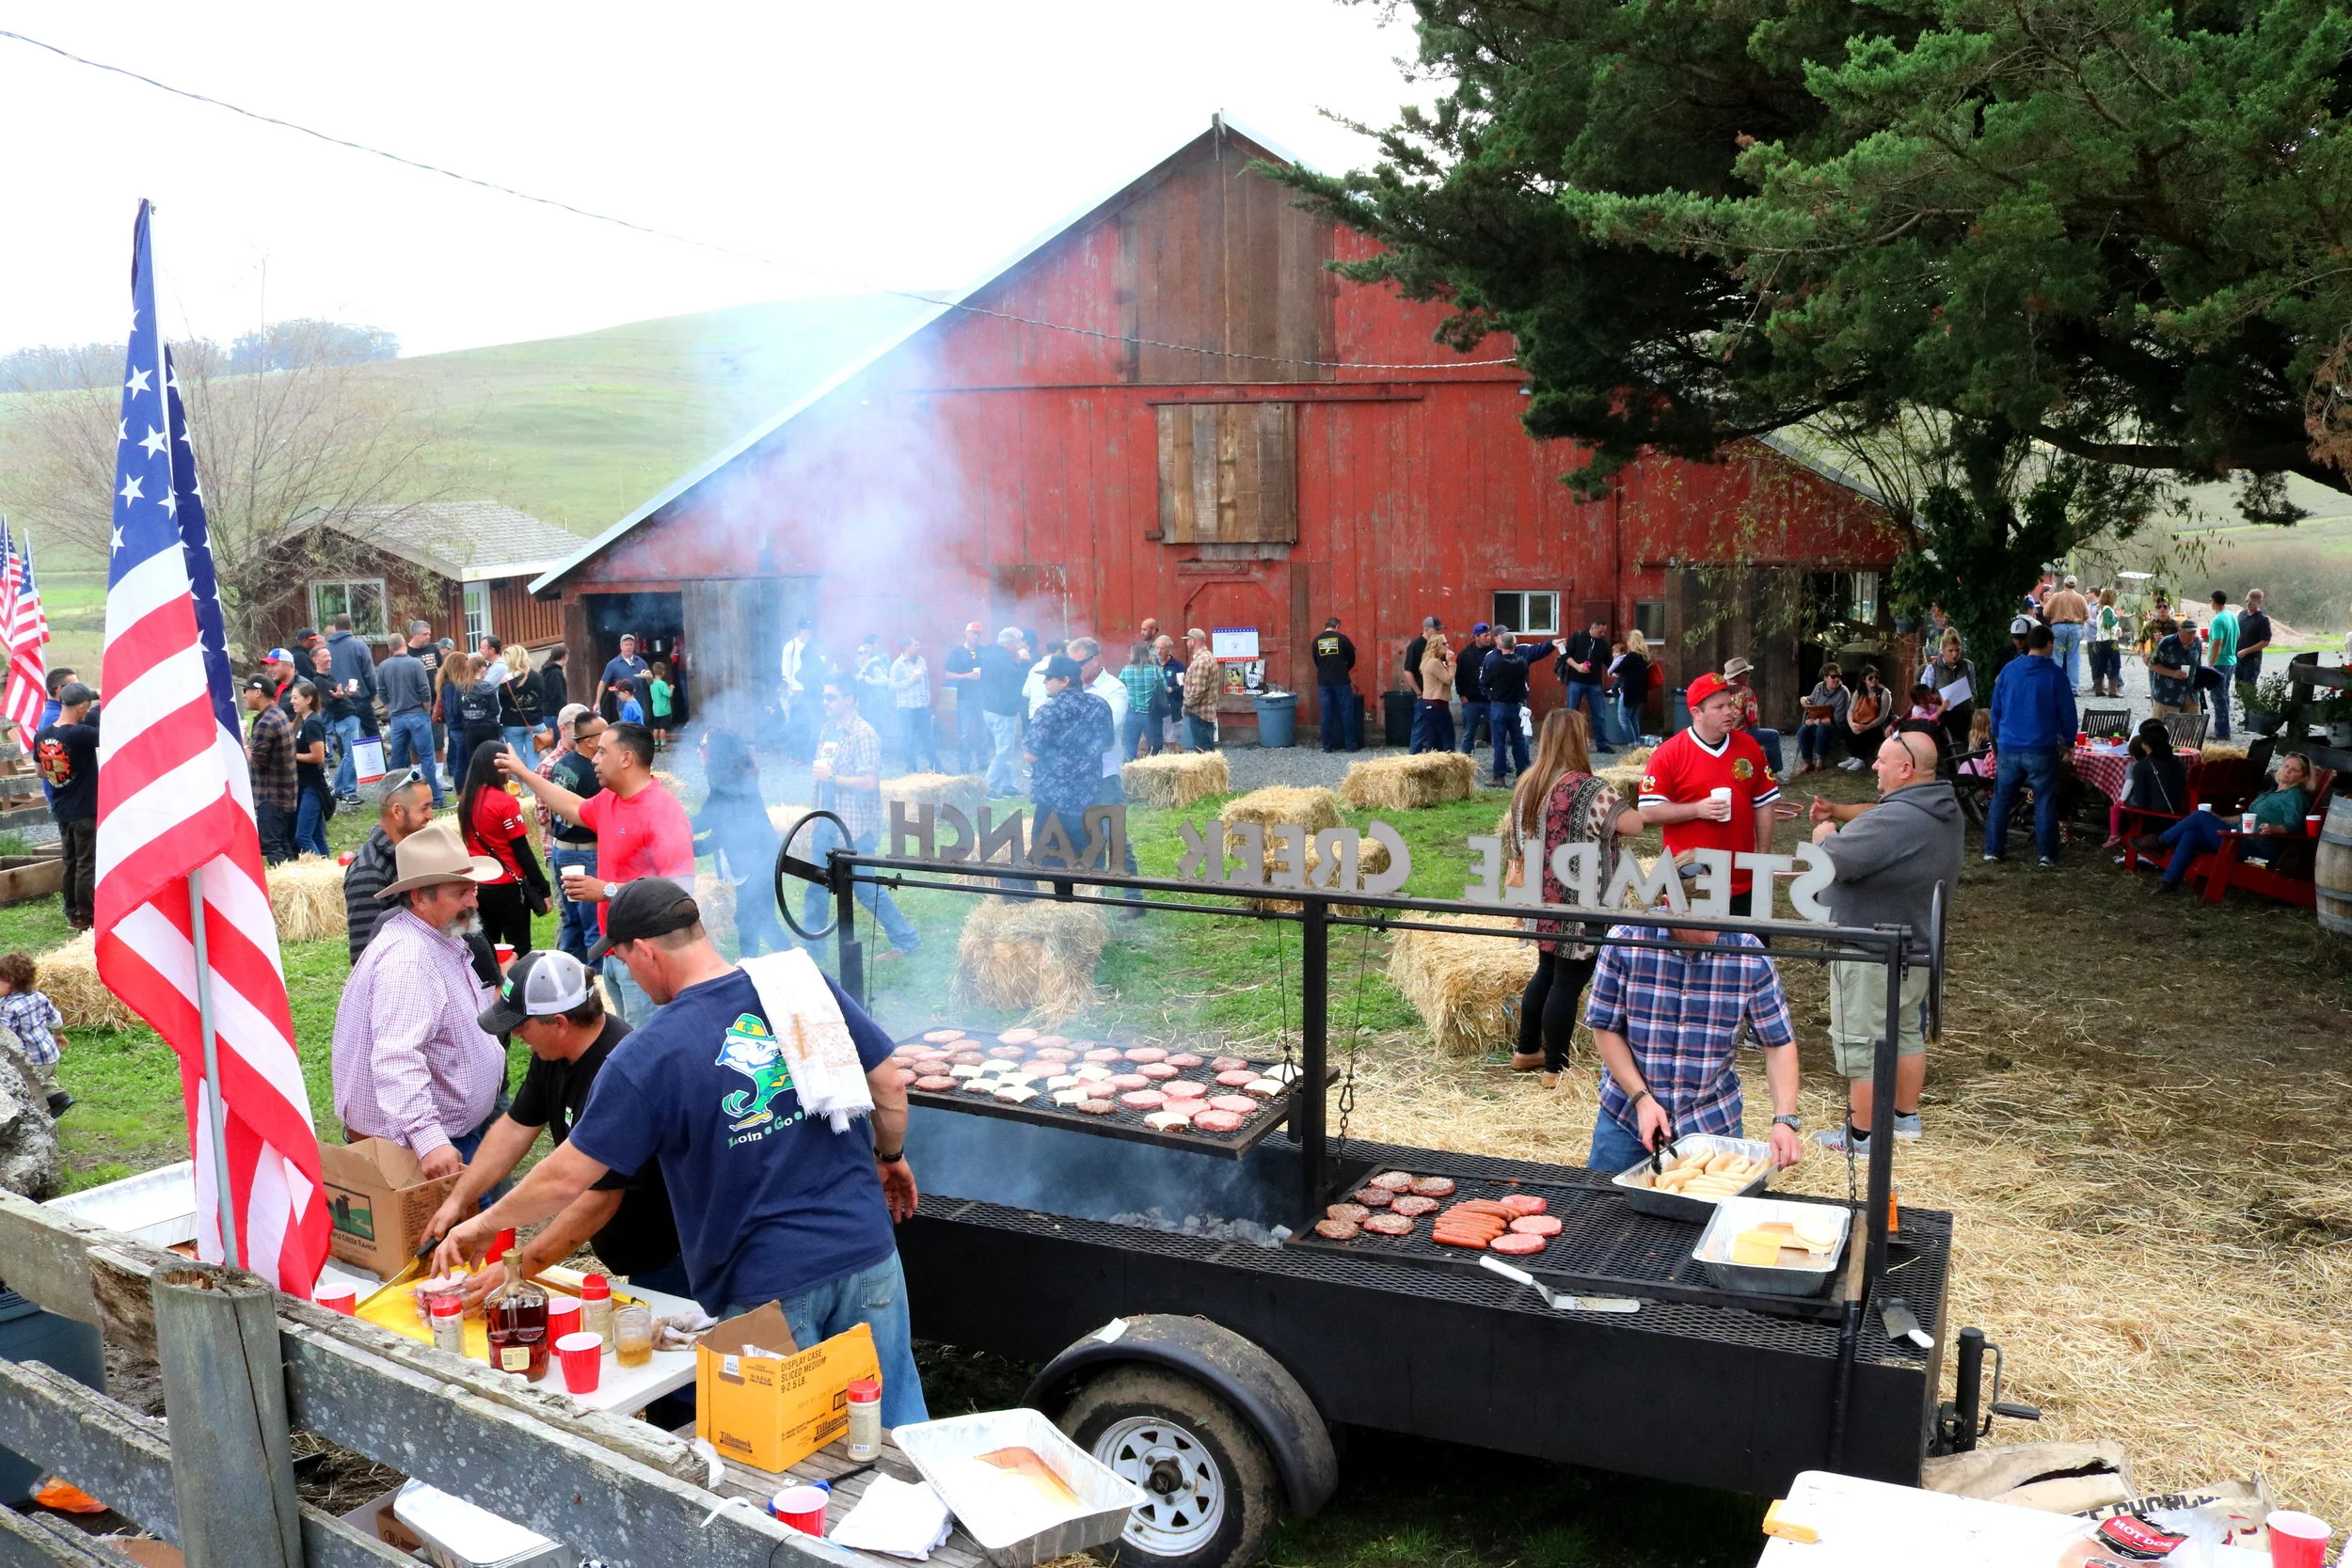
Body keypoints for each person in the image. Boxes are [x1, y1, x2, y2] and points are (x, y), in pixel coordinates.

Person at [431, 879, 930, 1428]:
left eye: (623, 958)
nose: (631, 978)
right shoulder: (800, 988)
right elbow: (888, 1084)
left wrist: (484, 1226)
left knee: (780, 1450)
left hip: (768, 1281)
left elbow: (566, 1176)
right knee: (893, 1423)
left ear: (644, 950)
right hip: (866, 1250)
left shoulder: (648, 1054)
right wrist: (890, 1157)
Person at [421, 950, 686, 1299]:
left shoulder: (619, 1071)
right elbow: (515, 1129)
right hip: (637, 1251)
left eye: (521, 1024)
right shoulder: (554, 1053)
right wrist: (459, 1199)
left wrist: (519, 1268)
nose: (515, 1034)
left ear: (560, 1023)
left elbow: (597, 1197)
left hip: (674, 1254)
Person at [1805, 731, 1961, 1150]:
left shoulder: (1899, 817)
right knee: (1905, 1030)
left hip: (1871, 950)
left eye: (1881, 760)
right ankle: (1903, 1119)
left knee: (1862, 1039)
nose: (1874, 767)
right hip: (1913, 944)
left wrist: (1825, 836)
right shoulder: (1938, 807)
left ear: (1905, 770)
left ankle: (1862, 1136)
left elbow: (1837, 859)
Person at [330, 822, 507, 1180]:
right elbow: (397, 1057)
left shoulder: (438, 938)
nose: (473, 901)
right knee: (447, 1235)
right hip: (417, 1151)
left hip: (441, 1138)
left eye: (472, 889)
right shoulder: (409, 960)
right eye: (459, 892)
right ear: (419, 898)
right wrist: (428, 1138)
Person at [499, 721, 696, 1023]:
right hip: (615, 950)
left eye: (602, 752)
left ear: (626, 758)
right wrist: (525, 774)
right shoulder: (610, 799)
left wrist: (607, 890)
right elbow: (574, 807)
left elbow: (680, 892)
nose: (593, 759)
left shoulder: (662, 811)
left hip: (649, 956)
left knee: (641, 1040)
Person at [1583, 917, 1804, 1172]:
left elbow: (1778, 1043)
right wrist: (1641, 1098)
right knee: (1604, 1204)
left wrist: (1784, 1120)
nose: (1714, 930)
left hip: (1712, 1120)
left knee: (1712, 1211)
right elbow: (1605, 1028)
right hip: (1627, 1119)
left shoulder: (1749, 953)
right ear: (1670, 905)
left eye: (1718, 914)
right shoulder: (1626, 940)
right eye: (1701, 920)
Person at [1504, 709, 1645, 1086]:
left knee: (1546, 973)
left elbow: (1515, 843)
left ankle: (1526, 1050)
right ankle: (1556, 1068)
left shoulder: (1527, 784)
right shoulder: (1590, 787)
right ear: (1578, 739)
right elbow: (1633, 824)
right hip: (1583, 903)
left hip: (1540, 898)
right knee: (1567, 982)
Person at [801, 680, 923, 957]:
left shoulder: (863, 734)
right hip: (826, 823)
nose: (825, 702)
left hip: (854, 828)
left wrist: (832, 777)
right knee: (816, 888)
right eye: (824, 696)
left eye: (831, 696)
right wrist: (812, 815)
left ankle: (908, 941)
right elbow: (819, 780)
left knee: (867, 890)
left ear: (850, 699)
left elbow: (869, 782)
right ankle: (812, 953)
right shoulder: (827, 730)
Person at [1639, 672, 1779, 906]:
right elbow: (1648, 811)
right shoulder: (1669, 753)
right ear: (1696, 713)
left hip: (1741, 879)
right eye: (1719, 707)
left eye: (1730, 704)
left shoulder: (1749, 746)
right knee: (1689, 942)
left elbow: (1764, 801)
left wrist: (1762, 857)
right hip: (1689, 882)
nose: (1731, 711)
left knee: (1748, 943)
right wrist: (1697, 810)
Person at [2146, 752, 2315, 893]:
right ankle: (2168, 883)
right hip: (2242, 839)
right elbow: (2246, 817)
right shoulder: (2272, 793)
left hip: (2258, 854)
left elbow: (2294, 823)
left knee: (2199, 816)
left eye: (2294, 770)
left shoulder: (2294, 797)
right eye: (2286, 766)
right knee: (2192, 835)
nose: (2287, 771)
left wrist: (2274, 829)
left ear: (2303, 778)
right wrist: (2218, 818)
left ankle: (2160, 842)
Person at [1984, 623, 2077, 867]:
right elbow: (2068, 713)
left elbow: (1996, 709)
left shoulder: (2008, 671)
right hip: (2041, 747)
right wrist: (2069, 742)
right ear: (2048, 644)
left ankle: (1993, 850)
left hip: (2009, 745)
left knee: (2002, 798)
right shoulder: (2056, 675)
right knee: (2044, 800)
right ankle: (2045, 854)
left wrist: (1996, 739)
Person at [689, 729, 787, 958]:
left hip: (756, 858)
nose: (699, 751)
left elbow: (727, 828)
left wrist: (692, 845)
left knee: (757, 920)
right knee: (754, 919)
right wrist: (675, 828)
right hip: (751, 858)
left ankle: (778, 963)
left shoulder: (734, 781)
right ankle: (755, 965)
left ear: (718, 752)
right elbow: (710, 816)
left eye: (703, 746)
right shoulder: (726, 778)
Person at [1070, 639, 1145, 909]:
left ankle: (1133, 899)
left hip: (1105, 775)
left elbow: (1108, 727)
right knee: (1083, 837)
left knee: (1114, 836)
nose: (1073, 670)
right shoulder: (1072, 688)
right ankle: (1094, 897)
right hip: (1076, 777)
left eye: (1077, 664)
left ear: (1095, 660)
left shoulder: (1114, 689)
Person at [459, 742, 551, 957]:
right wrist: (543, 888)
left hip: (479, 884)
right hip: (508, 888)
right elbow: (522, 850)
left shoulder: (467, 800)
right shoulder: (504, 802)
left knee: (486, 948)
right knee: (519, 949)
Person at [1025, 654, 1116, 862]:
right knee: (1092, 859)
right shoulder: (1100, 705)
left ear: (1065, 680)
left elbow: (1030, 755)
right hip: (1089, 796)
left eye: (1049, 677)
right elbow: (1108, 744)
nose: (1045, 682)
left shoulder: (1048, 711)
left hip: (1053, 799)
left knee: (1049, 860)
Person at [342, 768, 440, 961]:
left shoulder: (411, 854)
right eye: (424, 808)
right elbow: (365, 957)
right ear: (397, 811)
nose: (430, 816)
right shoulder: (368, 872)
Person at [539, 707, 606, 964]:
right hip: (586, 852)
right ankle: (594, 982)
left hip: (561, 851)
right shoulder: (592, 773)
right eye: (604, 734)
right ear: (589, 741)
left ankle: (569, 978)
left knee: (571, 922)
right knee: (593, 926)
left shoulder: (562, 764)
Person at [36, 683, 101, 927]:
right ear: (82, 708)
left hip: (62, 808)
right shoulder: (81, 734)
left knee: (70, 861)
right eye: (87, 708)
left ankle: (72, 910)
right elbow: (109, 731)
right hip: (85, 808)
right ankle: (86, 915)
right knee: (86, 862)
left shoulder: (42, 735)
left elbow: (41, 772)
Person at [378, 626, 444, 806]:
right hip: (418, 714)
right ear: (404, 644)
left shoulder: (384, 666)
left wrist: (390, 707)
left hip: (397, 717)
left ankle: (390, 797)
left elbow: (382, 691)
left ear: (390, 648)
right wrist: (426, 708)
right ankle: (436, 797)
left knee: (397, 759)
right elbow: (424, 690)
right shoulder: (415, 663)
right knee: (427, 757)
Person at [0, 951, 71, 1118]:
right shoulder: (38, 997)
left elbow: (5, 1035)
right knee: (44, 1078)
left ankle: (39, 1118)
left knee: (27, 1087)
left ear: (10, 982)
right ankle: (59, 1097)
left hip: (31, 1060)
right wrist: (59, 1035)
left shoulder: (9, 1007)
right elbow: (56, 1019)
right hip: (50, 1055)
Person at [1482, 628, 1557, 784]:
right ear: (1515, 644)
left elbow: (1484, 682)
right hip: (1518, 705)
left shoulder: (1494, 662)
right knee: (1520, 741)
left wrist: (1490, 694)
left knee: (1499, 742)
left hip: (1499, 705)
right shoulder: (1522, 662)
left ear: (1500, 644)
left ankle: (1499, 776)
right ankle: (1523, 774)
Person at [240, 676, 298, 867]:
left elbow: (256, 761)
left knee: (273, 846)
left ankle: (285, 887)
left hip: (270, 797)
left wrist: (244, 744)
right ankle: (294, 887)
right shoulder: (278, 714)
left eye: (246, 691)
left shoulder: (266, 722)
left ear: (258, 692)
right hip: (285, 795)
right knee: (284, 844)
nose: (243, 696)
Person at [2105, 718, 2186, 850]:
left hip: (2154, 819)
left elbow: (2140, 801)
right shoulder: (2176, 761)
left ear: (2144, 744)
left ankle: (2119, 838)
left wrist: (2121, 802)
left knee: (2117, 807)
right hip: (2177, 814)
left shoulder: (2141, 766)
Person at [325, 613, 378, 804]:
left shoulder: (325, 648)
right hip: (359, 699)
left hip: (335, 701)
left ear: (335, 627)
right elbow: (369, 672)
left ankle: (342, 785)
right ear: (350, 626)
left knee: (344, 744)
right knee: (369, 737)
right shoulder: (358, 646)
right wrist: (372, 691)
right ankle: (373, 774)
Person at [977, 627, 1028, 796]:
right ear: (1011, 642)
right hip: (1002, 710)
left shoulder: (993, 654)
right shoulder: (1002, 657)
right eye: (1020, 641)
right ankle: (988, 787)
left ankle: (1007, 786)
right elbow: (1012, 681)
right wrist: (1024, 664)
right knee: (1004, 751)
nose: (1022, 644)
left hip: (992, 708)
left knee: (1005, 748)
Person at [1557, 617, 1615, 754]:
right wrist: (1577, 666)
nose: (1603, 634)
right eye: (1600, 631)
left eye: (1604, 632)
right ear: (1593, 628)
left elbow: (1609, 662)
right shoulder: (1577, 637)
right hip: (1576, 680)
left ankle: (1602, 744)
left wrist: (1616, 671)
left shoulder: (1603, 644)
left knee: (1599, 714)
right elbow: (1565, 655)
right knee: (1571, 712)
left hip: (1594, 683)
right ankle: (1568, 743)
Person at [289, 681, 334, 858]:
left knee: (303, 836)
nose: (292, 701)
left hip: (313, 787)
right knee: (315, 834)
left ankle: (319, 870)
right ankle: (329, 869)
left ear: (308, 699)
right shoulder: (302, 721)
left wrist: (291, 756)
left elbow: (318, 756)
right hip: (304, 784)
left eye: (295, 697)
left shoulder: (313, 723)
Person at [444, 651, 503, 781]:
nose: (486, 670)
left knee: (473, 761)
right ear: (479, 668)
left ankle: (476, 788)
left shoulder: (461, 687)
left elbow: (456, 710)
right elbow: (495, 709)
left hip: (470, 728)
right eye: (484, 668)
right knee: (492, 759)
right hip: (489, 727)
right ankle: (493, 784)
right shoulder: (487, 686)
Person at [486, 639, 546, 767]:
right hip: (535, 723)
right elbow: (542, 697)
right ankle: (535, 786)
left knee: (515, 760)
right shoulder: (538, 677)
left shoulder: (506, 681)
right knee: (534, 760)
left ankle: (516, 786)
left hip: (512, 723)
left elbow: (502, 703)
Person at [1722, 657, 1783, 778]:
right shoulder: (1746, 692)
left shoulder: (1723, 691)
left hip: (1725, 732)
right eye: (1747, 673)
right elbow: (1752, 720)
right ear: (1740, 675)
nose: (1749, 676)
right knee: (1773, 735)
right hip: (1743, 733)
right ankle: (1774, 772)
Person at [941, 622, 986, 774]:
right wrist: (965, 676)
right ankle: (964, 765)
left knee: (983, 732)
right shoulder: (957, 653)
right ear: (966, 634)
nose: (976, 636)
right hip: (964, 698)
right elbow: (947, 674)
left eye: (978, 633)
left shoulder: (983, 651)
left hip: (981, 698)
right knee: (964, 733)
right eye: (973, 633)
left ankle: (983, 762)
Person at [1311, 616, 1361, 753]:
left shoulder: (1316, 641)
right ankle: (1350, 745)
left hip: (1324, 682)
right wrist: (1345, 669)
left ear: (1325, 626)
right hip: (1341, 681)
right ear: (1337, 626)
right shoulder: (1343, 639)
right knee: (1347, 713)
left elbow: (1316, 660)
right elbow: (1352, 657)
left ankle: (1327, 746)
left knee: (1326, 714)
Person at [1927, 631, 1979, 753]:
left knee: (1963, 751)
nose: (1954, 654)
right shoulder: (1932, 668)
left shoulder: (1968, 666)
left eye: (1957, 650)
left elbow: (1973, 690)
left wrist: (1970, 697)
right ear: (1943, 650)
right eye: (1950, 651)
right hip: (1941, 717)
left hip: (1963, 717)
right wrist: (1939, 700)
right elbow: (1923, 695)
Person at [889, 637, 936, 772]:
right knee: (908, 740)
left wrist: (927, 699)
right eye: (916, 645)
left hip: (921, 707)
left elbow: (926, 680)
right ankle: (911, 769)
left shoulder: (921, 661)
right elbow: (892, 686)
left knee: (927, 738)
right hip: (906, 708)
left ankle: (935, 766)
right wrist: (910, 680)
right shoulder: (897, 664)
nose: (918, 647)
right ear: (907, 647)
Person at [1795, 663, 1851, 773]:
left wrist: (1817, 721)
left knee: (1822, 728)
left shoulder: (1843, 693)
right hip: (1817, 723)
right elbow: (1810, 699)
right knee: (1803, 730)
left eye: (1839, 676)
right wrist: (1803, 699)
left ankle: (1820, 761)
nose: (1836, 680)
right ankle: (1807, 762)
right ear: (1825, 677)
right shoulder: (1819, 687)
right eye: (1833, 677)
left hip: (1835, 727)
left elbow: (1839, 719)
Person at [2201, 590, 2238, 739]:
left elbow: (2217, 642)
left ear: (2214, 601)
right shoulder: (2231, 616)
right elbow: (2238, 635)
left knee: (2218, 697)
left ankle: (2223, 731)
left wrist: (2211, 664)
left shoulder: (2217, 620)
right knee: (2224, 695)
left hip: (2220, 662)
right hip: (2231, 660)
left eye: (2211, 601)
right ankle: (2223, 726)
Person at [2043, 575, 2090, 691]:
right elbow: (2087, 616)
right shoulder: (2080, 598)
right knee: (2073, 659)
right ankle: (2073, 688)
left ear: (2064, 584)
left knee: (2057, 657)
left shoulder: (2056, 596)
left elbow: (2045, 612)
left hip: (2058, 627)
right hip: (2075, 628)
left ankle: (2055, 686)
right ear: (2075, 584)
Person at [778, 619, 817, 758]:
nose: (808, 631)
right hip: (796, 690)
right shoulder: (791, 646)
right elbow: (786, 670)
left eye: (810, 628)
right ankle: (795, 752)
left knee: (810, 721)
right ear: (799, 630)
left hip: (810, 689)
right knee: (797, 722)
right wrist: (788, 690)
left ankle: (807, 751)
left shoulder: (813, 646)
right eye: (805, 628)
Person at [1414, 631, 1458, 753]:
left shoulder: (1429, 661)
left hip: (1430, 704)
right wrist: (1452, 663)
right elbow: (1448, 680)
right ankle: (1449, 765)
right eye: (1444, 643)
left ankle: (1432, 767)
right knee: (1448, 739)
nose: (1447, 645)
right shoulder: (1433, 662)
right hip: (1437, 704)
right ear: (1436, 646)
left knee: (1434, 741)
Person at [1402, 616, 1440, 752]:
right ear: (1426, 629)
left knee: (1434, 729)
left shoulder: (1435, 644)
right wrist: (1419, 692)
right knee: (1420, 727)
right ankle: (1414, 759)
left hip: (1435, 694)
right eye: (1437, 630)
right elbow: (1408, 671)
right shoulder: (1416, 645)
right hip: (1423, 694)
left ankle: (1431, 758)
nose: (1439, 633)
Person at [2146, 616, 2199, 717]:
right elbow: (2152, 665)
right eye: (2189, 633)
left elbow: (2198, 665)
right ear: (2180, 631)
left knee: (2191, 729)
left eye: (2194, 632)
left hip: (2190, 694)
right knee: (2162, 728)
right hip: (2168, 695)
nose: (2192, 635)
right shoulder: (2166, 643)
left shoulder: (2197, 643)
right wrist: (2173, 673)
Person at [1455, 623, 1495, 756]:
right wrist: (1461, 694)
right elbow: (1458, 676)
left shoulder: (1495, 652)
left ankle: (1502, 762)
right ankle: (1466, 760)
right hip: (1471, 700)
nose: (1488, 638)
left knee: (1497, 732)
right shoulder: (1465, 655)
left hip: (1491, 699)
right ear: (1476, 637)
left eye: (1489, 635)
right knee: (1468, 733)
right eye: (1485, 635)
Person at [1119, 641, 1162, 761]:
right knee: (1154, 750)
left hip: (1132, 714)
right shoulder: (1155, 670)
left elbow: (1119, 689)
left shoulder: (1126, 670)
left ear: (1133, 654)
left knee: (1130, 750)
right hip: (1150, 714)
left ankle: (1129, 774)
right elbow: (1164, 687)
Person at [1181, 627, 1221, 752]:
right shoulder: (1207, 657)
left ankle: (1211, 773)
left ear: (1193, 641)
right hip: (1206, 712)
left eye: (1188, 640)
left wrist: (1187, 705)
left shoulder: (1202, 661)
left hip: (1200, 713)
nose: (1187, 643)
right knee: (1207, 752)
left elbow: (1198, 689)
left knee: (1203, 752)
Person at [1612, 629, 1653, 748]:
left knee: (1623, 719)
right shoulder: (1644, 656)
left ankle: (1633, 745)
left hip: (1629, 691)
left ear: (1631, 641)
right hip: (1640, 692)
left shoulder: (1631, 656)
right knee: (1633, 718)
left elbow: (1618, 669)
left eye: (1628, 640)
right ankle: (1637, 745)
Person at [2233, 589, 2272, 716]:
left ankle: (2251, 716)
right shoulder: (2242, 615)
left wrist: (2247, 650)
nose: (2248, 604)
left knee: (2248, 687)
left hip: (2252, 659)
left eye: (2252, 602)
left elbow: (2265, 641)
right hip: (2238, 656)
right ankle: (2248, 713)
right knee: (2239, 686)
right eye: (2247, 601)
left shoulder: (2262, 619)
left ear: (2259, 602)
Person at [1844, 667, 1890, 769]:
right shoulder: (1859, 692)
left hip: (1876, 725)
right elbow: (1850, 711)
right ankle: (1854, 756)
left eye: (1876, 677)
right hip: (1859, 721)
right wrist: (1852, 724)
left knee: (1865, 732)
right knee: (1848, 728)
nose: (1874, 680)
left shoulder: (1884, 692)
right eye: (1871, 678)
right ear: (1864, 679)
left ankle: (1861, 760)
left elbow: (1882, 717)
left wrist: (1867, 727)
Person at [600, 634, 651, 726]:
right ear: (621, 646)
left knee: (639, 729)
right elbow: (603, 682)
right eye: (626, 645)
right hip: (622, 705)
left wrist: (650, 678)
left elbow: (650, 683)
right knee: (626, 729)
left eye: (631, 645)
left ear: (634, 646)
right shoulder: (613, 664)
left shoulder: (641, 662)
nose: (628, 647)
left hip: (639, 703)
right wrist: (597, 702)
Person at [2087, 589, 2125, 699]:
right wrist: (2117, 617)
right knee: (2115, 664)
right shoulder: (2108, 609)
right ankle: (2113, 690)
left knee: (2101, 664)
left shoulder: (2101, 609)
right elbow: (2108, 624)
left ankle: (2099, 689)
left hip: (2099, 641)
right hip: (2110, 641)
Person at [1155, 634, 1187, 752]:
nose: (1159, 651)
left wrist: (1172, 689)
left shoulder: (1177, 667)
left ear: (1169, 649)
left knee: (1172, 742)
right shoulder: (1152, 665)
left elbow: (1183, 687)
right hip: (1155, 711)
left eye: (1162, 648)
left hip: (1172, 710)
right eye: (1157, 648)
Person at [1023, 638, 1068, 720]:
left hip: (1034, 714)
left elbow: (1025, 692)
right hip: (1051, 715)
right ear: (1059, 651)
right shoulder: (1059, 668)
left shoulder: (1035, 667)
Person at [536, 642, 568, 718]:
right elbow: (558, 695)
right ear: (566, 656)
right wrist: (563, 715)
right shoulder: (555, 672)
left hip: (545, 712)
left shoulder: (545, 669)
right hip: (553, 714)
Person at [646, 661, 675, 749]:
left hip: (655, 709)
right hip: (664, 709)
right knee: (663, 728)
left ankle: (655, 743)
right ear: (663, 672)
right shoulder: (662, 684)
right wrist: (671, 688)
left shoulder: (652, 683)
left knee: (656, 727)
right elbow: (668, 694)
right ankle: (663, 744)